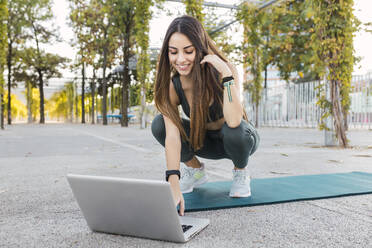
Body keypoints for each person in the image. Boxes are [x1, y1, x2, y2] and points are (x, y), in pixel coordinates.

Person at [151, 15, 260, 216]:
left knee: (235, 130)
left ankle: (241, 172)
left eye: (188, 51)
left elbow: (235, 120)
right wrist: (173, 182)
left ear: (200, 48)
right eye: (173, 52)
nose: (180, 59)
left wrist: (227, 75)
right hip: (203, 141)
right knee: (159, 124)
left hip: (237, 140)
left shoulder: (224, 71)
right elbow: (173, 136)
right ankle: (195, 171)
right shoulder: (173, 86)